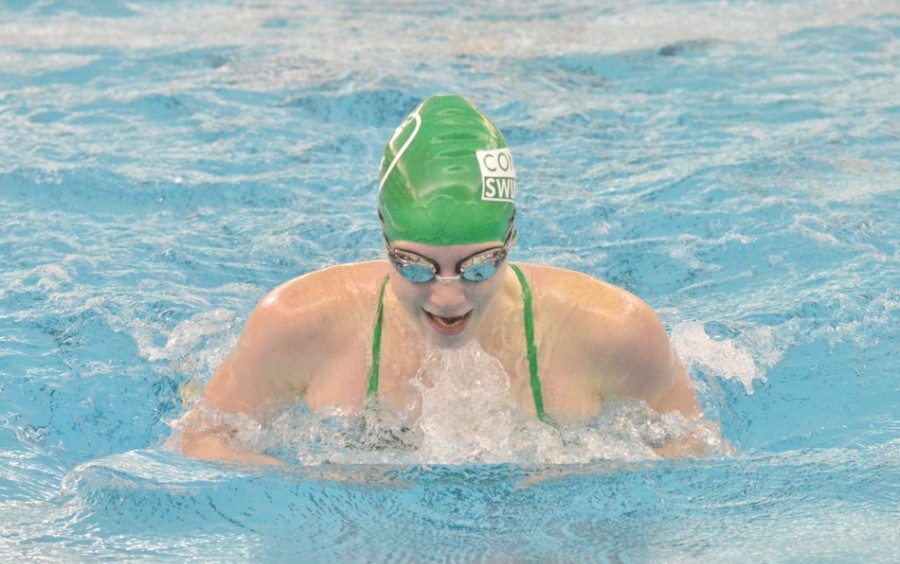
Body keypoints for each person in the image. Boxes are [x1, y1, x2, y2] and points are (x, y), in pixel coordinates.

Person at [178, 94, 718, 463]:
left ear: (512, 238)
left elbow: (693, 456)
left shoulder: (615, 332)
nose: (447, 296)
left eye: (479, 265)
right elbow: (205, 439)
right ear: (383, 237)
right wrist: (320, 494)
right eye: (413, 265)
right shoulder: (296, 323)